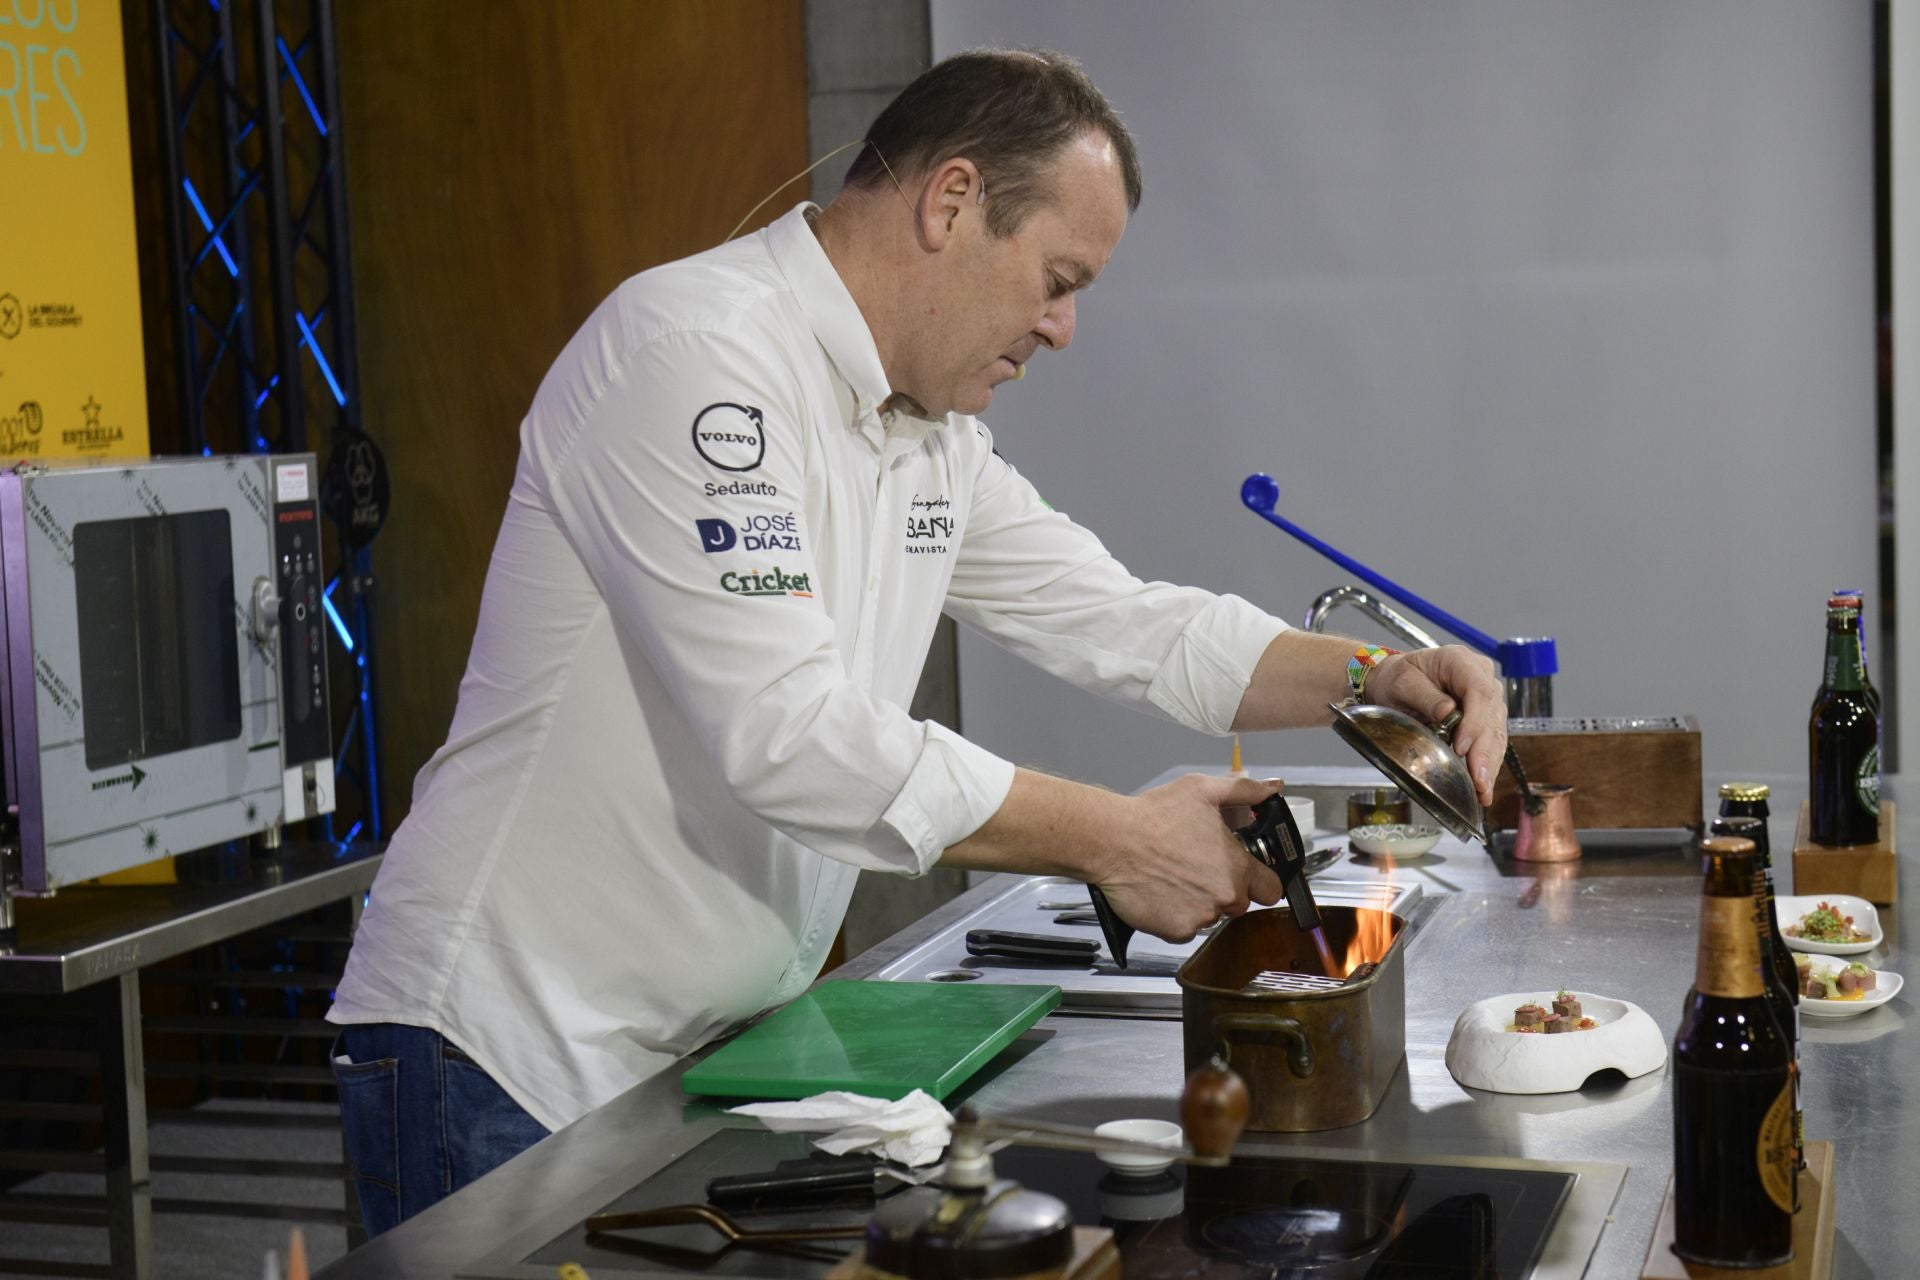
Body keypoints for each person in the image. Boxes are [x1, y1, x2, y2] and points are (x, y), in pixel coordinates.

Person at [326, 46, 1506, 1234]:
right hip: (507, 1050)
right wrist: (1115, 838)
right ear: (950, 202)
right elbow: (788, 736)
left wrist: (1377, 679)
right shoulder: (696, 357)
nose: (1064, 326)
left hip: (692, 1047)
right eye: (1056, 277)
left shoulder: (928, 436)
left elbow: (1127, 620)